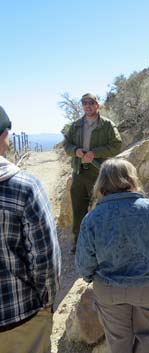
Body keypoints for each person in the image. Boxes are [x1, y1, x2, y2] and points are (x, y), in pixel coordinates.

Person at [75, 158, 149, 353]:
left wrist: (90, 276)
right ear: (131, 179)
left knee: (118, 342)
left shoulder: (92, 218)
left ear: (102, 183)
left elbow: (84, 262)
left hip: (109, 290)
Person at [0, 106, 61, 353]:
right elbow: (45, 259)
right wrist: (46, 301)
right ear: (4, 136)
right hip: (19, 316)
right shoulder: (24, 188)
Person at [62, 93, 122, 253]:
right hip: (79, 173)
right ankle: (79, 242)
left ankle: (102, 243)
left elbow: (117, 146)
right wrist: (75, 150)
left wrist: (95, 153)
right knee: (78, 208)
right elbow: (66, 144)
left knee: (101, 208)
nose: (87, 105)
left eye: (91, 102)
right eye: (84, 103)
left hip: (100, 173)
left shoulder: (107, 125)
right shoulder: (75, 126)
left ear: (97, 105)